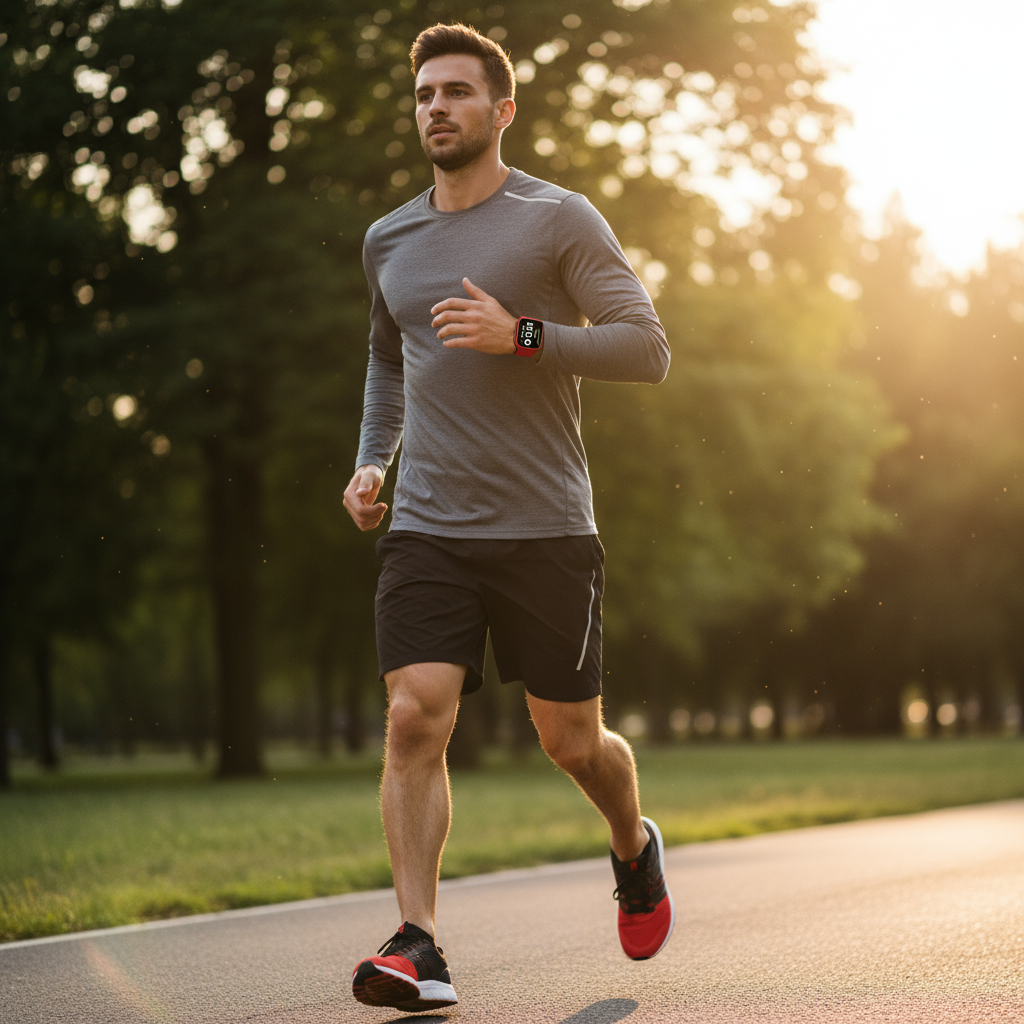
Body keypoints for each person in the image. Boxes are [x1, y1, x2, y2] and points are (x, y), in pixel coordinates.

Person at [343, 22, 673, 1013]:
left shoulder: (557, 218)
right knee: (413, 715)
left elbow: (645, 348)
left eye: (455, 92)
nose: (435, 108)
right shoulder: (389, 239)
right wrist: (371, 462)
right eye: (423, 95)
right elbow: (389, 358)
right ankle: (418, 943)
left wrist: (522, 333)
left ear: (501, 109)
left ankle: (632, 840)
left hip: (544, 527)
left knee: (572, 742)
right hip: (430, 526)